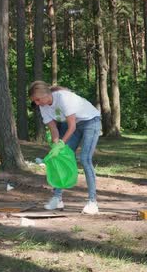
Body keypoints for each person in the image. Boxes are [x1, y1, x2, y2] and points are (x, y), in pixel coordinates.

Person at [29, 81, 102, 215]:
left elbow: (72, 126)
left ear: (46, 94)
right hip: (72, 126)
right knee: (59, 157)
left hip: (90, 122)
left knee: (85, 159)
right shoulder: (43, 105)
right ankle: (57, 198)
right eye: (35, 101)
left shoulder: (63, 98)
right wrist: (56, 146)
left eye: (38, 100)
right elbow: (53, 129)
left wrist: (62, 143)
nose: (37, 103)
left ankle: (93, 202)